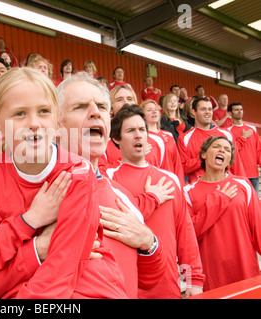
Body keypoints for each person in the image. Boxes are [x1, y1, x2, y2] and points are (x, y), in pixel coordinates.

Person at [0, 67, 129, 299]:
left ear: (56, 121)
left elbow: (60, 272)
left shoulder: (78, 173)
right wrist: (30, 221)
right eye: (20, 114)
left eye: (44, 111)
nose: (34, 123)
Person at [56, 71, 165, 298]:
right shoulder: (36, 194)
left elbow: (148, 279)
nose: (95, 112)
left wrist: (149, 242)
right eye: (80, 107)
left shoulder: (122, 196)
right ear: (56, 124)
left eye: (102, 107)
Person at [107, 104, 204, 298]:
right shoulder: (109, 179)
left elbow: (184, 232)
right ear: (116, 139)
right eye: (130, 130)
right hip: (126, 287)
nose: (138, 135)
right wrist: (152, 198)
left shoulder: (169, 179)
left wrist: (194, 279)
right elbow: (119, 224)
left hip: (166, 287)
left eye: (142, 129)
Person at [183, 136, 261, 291]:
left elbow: (259, 228)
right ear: (204, 154)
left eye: (226, 150)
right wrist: (217, 202)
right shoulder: (187, 192)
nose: (222, 151)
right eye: (216, 146)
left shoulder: (243, 185)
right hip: (211, 275)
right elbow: (190, 236)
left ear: (229, 161)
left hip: (245, 271)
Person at [178, 97, 246, 184]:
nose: (208, 112)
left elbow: (236, 164)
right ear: (194, 112)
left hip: (226, 187)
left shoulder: (226, 134)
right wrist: (206, 156)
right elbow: (183, 168)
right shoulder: (185, 138)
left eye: (210, 109)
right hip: (200, 189)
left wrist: (243, 183)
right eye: (203, 109)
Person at [101, 84, 164, 170]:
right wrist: (132, 157)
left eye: (130, 99)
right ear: (111, 108)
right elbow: (99, 175)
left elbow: (164, 173)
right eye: (119, 100)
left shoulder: (156, 141)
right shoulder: (102, 140)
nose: (126, 103)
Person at [141, 99, 185, 185]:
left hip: (171, 183)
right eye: (149, 110)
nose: (154, 111)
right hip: (153, 185)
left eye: (156, 109)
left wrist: (181, 185)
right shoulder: (141, 137)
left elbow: (177, 163)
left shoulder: (169, 135)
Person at [227, 102, 261, 194]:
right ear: (230, 113)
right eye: (236, 110)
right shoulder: (228, 131)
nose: (239, 112)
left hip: (253, 173)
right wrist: (243, 138)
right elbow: (230, 151)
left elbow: (258, 150)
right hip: (237, 175)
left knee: (255, 204)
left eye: (241, 109)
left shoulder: (252, 128)